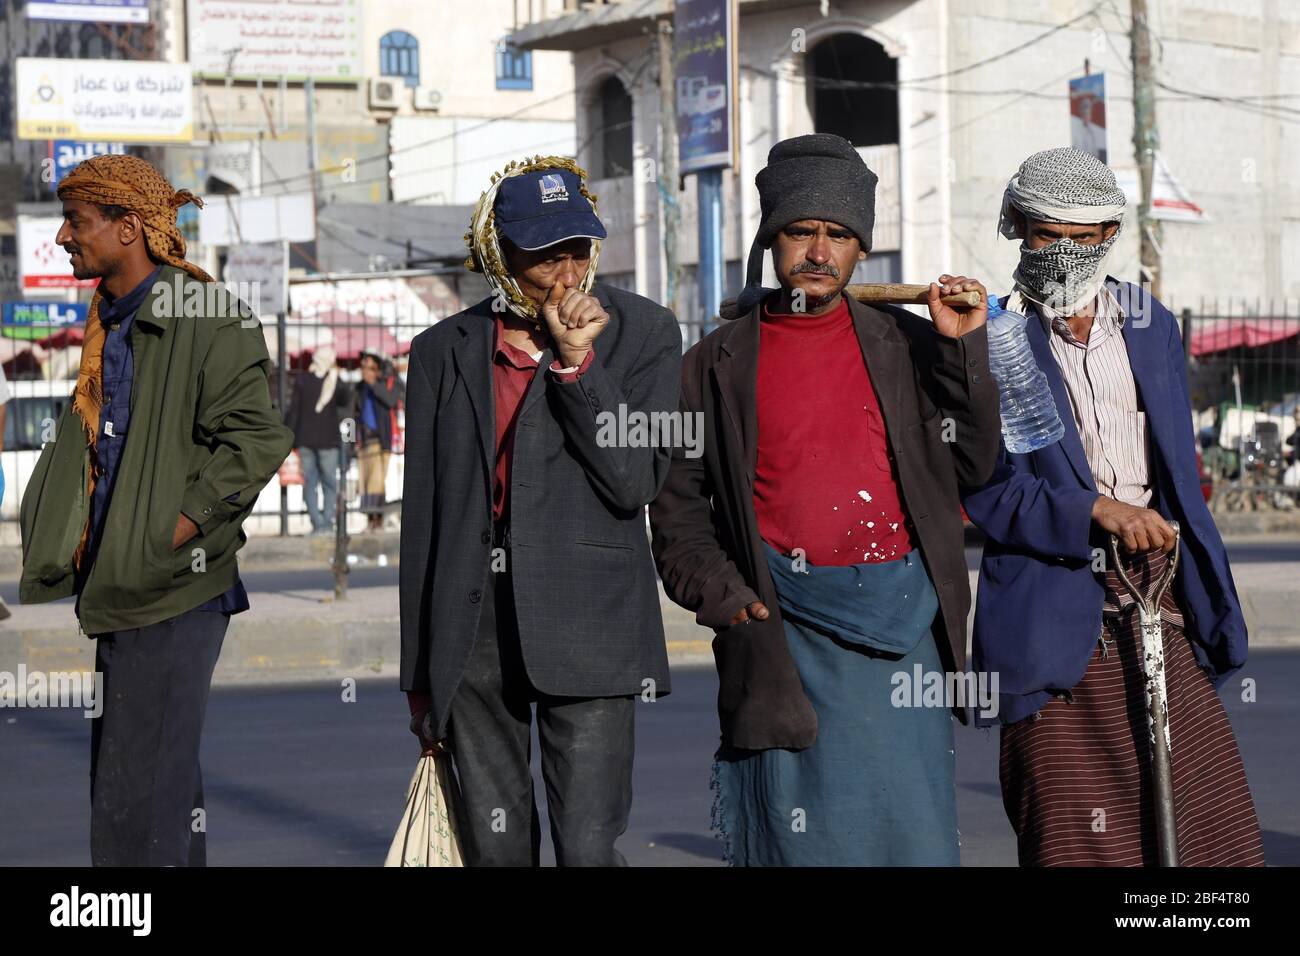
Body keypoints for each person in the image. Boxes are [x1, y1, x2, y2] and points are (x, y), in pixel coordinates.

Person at [649, 133, 1001, 865]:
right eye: (801, 230)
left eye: (839, 235)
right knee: (799, 837)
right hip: (781, 632)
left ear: (860, 249)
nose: (818, 250)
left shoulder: (908, 345)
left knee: (912, 835)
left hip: (905, 628)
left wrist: (965, 350)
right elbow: (678, 512)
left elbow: (973, 463)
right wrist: (729, 597)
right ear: (772, 239)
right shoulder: (710, 366)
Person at [961, 147, 1265, 866]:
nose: (1065, 250)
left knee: (1212, 838)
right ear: (1016, 228)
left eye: (1085, 233)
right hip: (1055, 616)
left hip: (1162, 602)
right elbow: (987, 488)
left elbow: (1178, 475)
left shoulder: (1149, 323)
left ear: (1109, 236)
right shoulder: (993, 336)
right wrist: (1093, 510)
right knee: (1073, 839)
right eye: (1045, 233)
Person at [399, 156, 681, 866]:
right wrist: (420, 674)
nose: (564, 272)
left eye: (577, 249)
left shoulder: (643, 333)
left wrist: (578, 366)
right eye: (541, 253)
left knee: (587, 847)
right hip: (474, 633)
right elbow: (425, 519)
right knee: (497, 847)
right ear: (498, 254)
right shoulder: (443, 351)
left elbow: (634, 479)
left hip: (589, 621)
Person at [18, 155, 293, 866]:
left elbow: (256, 440)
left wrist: (169, 532)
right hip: (122, 590)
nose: (61, 237)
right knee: (158, 799)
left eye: (76, 222)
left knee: (133, 811)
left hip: (173, 589)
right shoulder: (113, 319)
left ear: (128, 227)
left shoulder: (205, 314)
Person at [286, 345, 350, 534]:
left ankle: (317, 524)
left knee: (310, 483)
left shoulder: (303, 380)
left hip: (305, 440)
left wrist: (288, 436)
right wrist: (338, 377)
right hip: (328, 441)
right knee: (329, 483)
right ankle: (327, 524)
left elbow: (293, 410)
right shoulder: (333, 380)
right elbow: (345, 400)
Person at [352, 348, 401, 532]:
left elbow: (391, 400)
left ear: (378, 370)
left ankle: (377, 519)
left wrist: (374, 384)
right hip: (364, 440)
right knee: (364, 482)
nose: (365, 371)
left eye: (370, 367)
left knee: (376, 481)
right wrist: (350, 441)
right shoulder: (359, 388)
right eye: (363, 367)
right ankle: (370, 519)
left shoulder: (387, 384)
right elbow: (351, 414)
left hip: (381, 441)